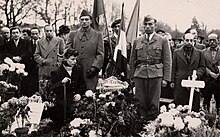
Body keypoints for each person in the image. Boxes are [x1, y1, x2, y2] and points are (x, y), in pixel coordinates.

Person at [129, 15, 172, 121]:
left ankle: (151, 127)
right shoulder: (137, 41)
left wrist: (166, 78)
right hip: (140, 74)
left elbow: (167, 60)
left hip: (156, 74)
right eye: (145, 24)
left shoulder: (163, 40)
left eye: (150, 24)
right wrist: (131, 76)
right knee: (140, 102)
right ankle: (140, 125)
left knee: (154, 103)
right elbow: (132, 60)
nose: (147, 27)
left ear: (155, 26)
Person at [66, 9, 104, 91]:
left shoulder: (98, 35)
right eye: (82, 19)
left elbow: (100, 54)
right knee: (75, 94)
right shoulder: (73, 34)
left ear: (90, 21)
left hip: (90, 71)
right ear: (79, 21)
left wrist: (95, 67)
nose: (84, 21)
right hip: (74, 70)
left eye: (86, 19)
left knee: (89, 94)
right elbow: (67, 50)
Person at [50, 48, 86, 130]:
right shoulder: (56, 72)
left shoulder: (78, 69)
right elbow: (52, 88)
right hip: (63, 103)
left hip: (76, 102)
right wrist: (61, 83)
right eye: (72, 59)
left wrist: (79, 94)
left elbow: (83, 85)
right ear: (65, 59)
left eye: (75, 59)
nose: (74, 62)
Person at [170, 33, 206, 112]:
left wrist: (197, 74)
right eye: (187, 40)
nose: (189, 42)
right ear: (183, 41)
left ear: (194, 41)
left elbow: (202, 67)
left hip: (193, 83)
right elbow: (173, 67)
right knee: (179, 107)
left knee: (193, 106)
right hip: (180, 82)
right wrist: (172, 81)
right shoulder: (176, 52)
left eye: (191, 40)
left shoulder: (200, 53)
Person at [3, 26, 32, 96]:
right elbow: (5, 53)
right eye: (13, 33)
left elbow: (29, 52)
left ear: (20, 33)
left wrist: (20, 57)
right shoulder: (7, 44)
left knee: (24, 85)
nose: (15, 34)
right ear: (11, 34)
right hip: (11, 66)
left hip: (24, 65)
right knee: (13, 86)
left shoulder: (26, 42)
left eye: (17, 33)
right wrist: (13, 57)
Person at [201, 33, 220, 114]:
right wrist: (210, 73)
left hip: (219, 80)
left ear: (218, 41)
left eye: (214, 40)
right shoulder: (203, 52)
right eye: (210, 40)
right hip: (208, 80)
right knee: (206, 100)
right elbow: (202, 65)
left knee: (219, 100)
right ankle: (206, 118)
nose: (212, 42)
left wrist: (218, 73)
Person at [23, 27, 41, 96]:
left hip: (39, 66)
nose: (35, 35)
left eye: (36, 33)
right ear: (30, 35)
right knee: (30, 84)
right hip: (29, 67)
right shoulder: (27, 43)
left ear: (39, 34)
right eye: (33, 34)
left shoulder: (42, 43)